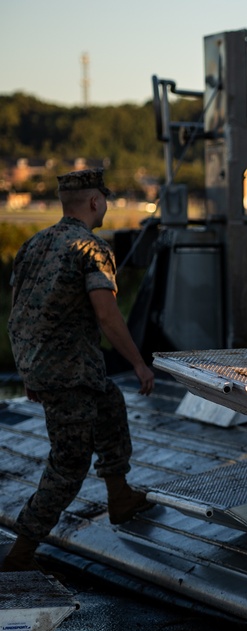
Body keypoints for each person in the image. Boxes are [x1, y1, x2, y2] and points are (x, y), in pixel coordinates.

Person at [2, 169, 155, 572]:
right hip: (71, 374)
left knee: (109, 403)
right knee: (69, 464)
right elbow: (107, 316)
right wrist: (139, 363)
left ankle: (119, 494)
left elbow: (17, 315)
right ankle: (21, 551)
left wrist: (29, 371)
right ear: (95, 202)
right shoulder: (91, 248)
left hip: (51, 368)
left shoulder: (34, 244)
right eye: (104, 198)